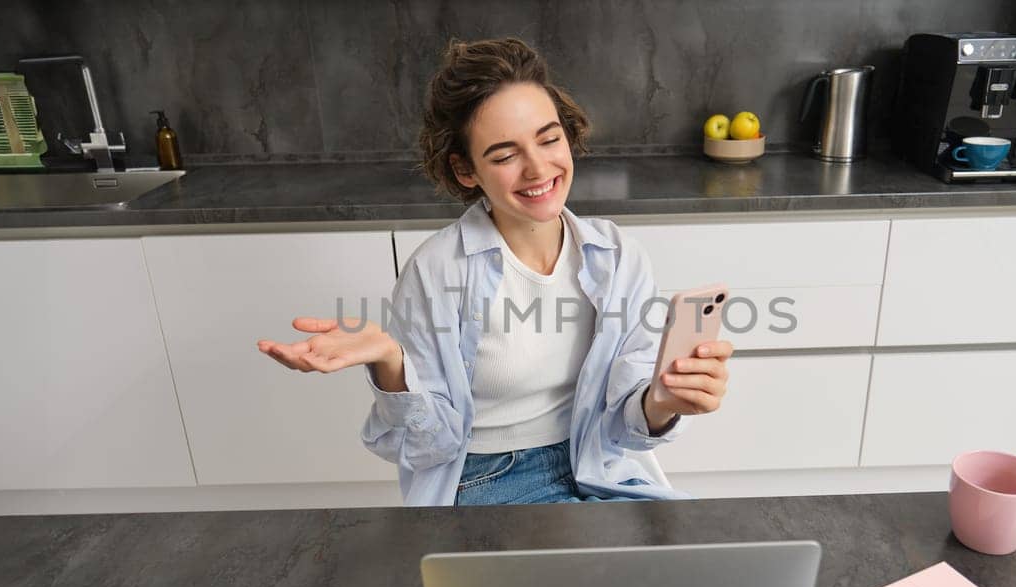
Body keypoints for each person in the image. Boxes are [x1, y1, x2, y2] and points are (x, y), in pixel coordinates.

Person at [256, 38, 732, 506]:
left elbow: (624, 422)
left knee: (688, 561)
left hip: (599, 466)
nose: (537, 168)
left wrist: (664, 402)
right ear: (466, 171)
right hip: (490, 478)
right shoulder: (437, 270)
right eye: (505, 156)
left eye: (549, 139)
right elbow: (430, 445)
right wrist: (390, 362)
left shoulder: (616, 255)